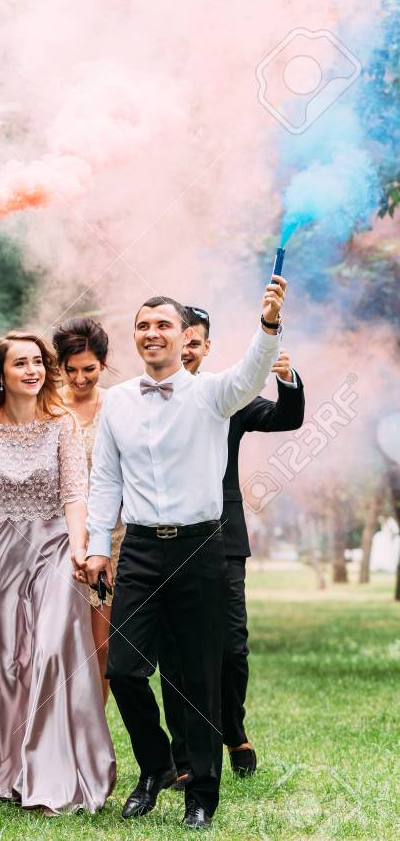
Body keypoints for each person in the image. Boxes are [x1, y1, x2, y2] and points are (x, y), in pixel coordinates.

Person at [83, 278, 287, 829]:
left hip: (201, 548)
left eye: (163, 326)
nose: (153, 334)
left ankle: (202, 792)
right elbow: (104, 479)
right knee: (125, 671)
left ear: (183, 336)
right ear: (136, 337)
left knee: (199, 677)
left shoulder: (213, 393)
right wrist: (98, 546)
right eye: (144, 327)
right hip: (143, 550)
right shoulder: (118, 401)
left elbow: (252, 370)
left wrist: (268, 324)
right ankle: (153, 767)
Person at [0, 331, 115, 814]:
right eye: (21, 364)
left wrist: (80, 548)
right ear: (1, 374)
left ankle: (51, 770)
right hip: (1, 551)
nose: (32, 370)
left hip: (55, 546)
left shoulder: (63, 424)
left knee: (52, 650)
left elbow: (77, 493)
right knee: (2, 663)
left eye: (37, 362)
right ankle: (4, 764)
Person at [158, 308, 304, 785]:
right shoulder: (146, 399)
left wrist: (288, 379)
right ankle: (183, 759)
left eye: (195, 344)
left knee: (231, 646)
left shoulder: (229, 396)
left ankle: (232, 729)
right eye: (181, 342)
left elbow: (286, 417)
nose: (186, 351)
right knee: (175, 652)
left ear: (205, 347)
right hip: (164, 537)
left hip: (223, 538)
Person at [52, 316, 124, 702]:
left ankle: (93, 734)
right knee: (55, 644)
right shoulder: (44, 405)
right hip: (52, 537)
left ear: (103, 363)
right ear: (59, 366)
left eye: (89, 370)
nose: (80, 379)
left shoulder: (118, 404)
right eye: (71, 370)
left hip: (108, 538)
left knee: (101, 644)